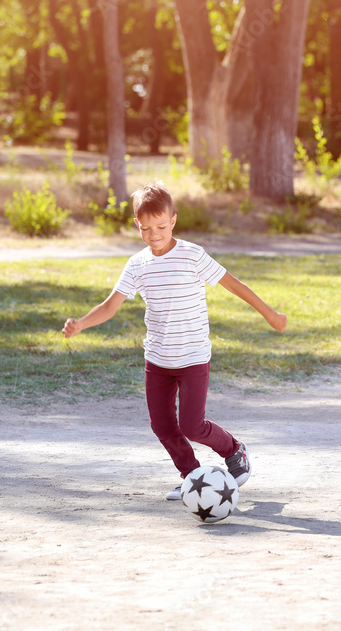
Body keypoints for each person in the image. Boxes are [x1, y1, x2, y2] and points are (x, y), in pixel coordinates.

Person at [62, 181, 287, 497]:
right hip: (157, 360)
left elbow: (234, 285)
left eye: (161, 226)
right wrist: (81, 324)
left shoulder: (192, 255)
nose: (154, 235)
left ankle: (234, 450)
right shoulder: (137, 265)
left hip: (193, 357)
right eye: (146, 229)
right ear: (137, 225)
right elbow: (110, 305)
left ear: (174, 221)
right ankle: (194, 478)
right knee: (163, 427)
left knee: (192, 426)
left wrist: (270, 315)